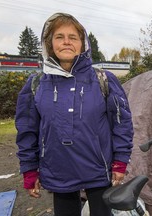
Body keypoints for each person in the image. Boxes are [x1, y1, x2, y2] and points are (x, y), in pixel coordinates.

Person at [15, 12, 134, 216]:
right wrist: (29, 169)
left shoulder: (103, 80)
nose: (66, 42)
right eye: (59, 37)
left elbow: (122, 124)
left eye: (73, 37)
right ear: (50, 44)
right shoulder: (36, 84)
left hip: (98, 169)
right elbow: (27, 131)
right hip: (58, 170)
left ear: (83, 43)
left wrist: (120, 161)